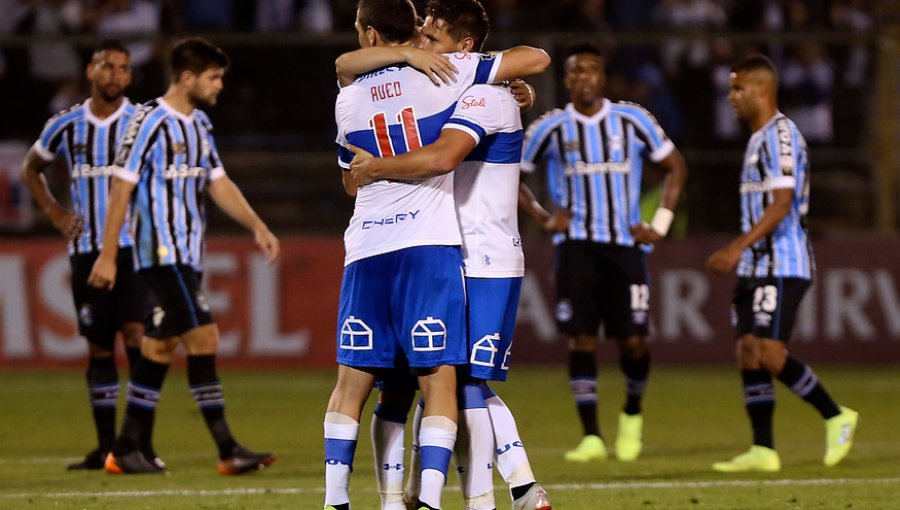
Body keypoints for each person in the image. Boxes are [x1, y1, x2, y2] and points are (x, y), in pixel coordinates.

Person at [326, 1, 549, 509]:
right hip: (445, 250)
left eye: (433, 35)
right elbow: (346, 67)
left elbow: (444, 156)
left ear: (464, 47)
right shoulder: (455, 84)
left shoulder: (478, 93)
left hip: (480, 256)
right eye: (419, 33)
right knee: (419, 386)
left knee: (464, 381)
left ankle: (505, 491)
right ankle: (419, 495)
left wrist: (375, 168)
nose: (423, 42)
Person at [87, 37, 280, 475]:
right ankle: (228, 448)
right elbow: (122, 186)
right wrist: (107, 255)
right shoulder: (148, 120)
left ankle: (125, 448)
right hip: (160, 252)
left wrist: (257, 225)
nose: (220, 86)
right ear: (188, 77)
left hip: (189, 254)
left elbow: (219, 182)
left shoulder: (200, 126)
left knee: (159, 347)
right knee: (204, 337)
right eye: (214, 77)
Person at [519, 42, 688, 463]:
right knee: (581, 338)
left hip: (625, 247)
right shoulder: (550, 128)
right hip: (575, 246)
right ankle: (591, 434)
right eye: (575, 71)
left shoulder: (632, 119)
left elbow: (675, 167)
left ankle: (632, 414)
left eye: (591, 70)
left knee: (632, 340)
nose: (583, 78)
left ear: (603, 77)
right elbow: (511, 175)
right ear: (566, 80)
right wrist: (542, 217)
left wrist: (660, 224)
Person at [706, 53, 858, 472]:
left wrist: (736, 246)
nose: (731, 97)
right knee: (747, 351)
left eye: (737, 88)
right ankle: (763, 449)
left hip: (783, 262)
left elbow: (782, 204)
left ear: (761, 89)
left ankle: (836, 415)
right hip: (757, 265)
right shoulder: (756, 139)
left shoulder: (782, 135)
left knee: (771, 352)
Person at [20, 39, 153, 471]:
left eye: (124, 68)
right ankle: (105, 448)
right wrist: (55, 213)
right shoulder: (67, 124)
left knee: (136, 338)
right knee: (98, 348)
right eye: (108, 66)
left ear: (130, 76)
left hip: (134, 250)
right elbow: (30, 167)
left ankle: (139, 445)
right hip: (84, 250)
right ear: (91, 71)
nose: (116, 75)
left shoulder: (143, 121)